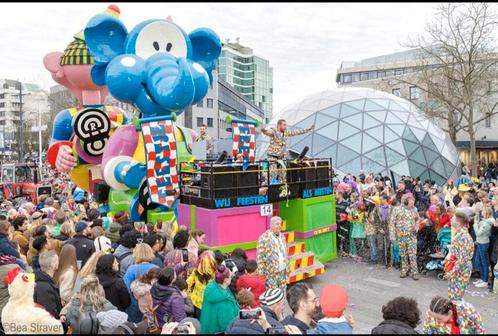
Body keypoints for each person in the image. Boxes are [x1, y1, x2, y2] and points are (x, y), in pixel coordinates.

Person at [261, 119, 314, 183]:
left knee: (283, 175)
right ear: (279, 125)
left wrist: (307, 129)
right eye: (284, 125)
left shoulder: (286, 133)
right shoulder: (274, 132)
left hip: (282, 158)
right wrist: (264, 130)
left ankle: (282, 189)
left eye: (285, 125)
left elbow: (297, 132)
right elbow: (268, 132)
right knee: (272, 173)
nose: (285, 127)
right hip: (273, 157)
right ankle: (266, 187)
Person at [123, 243, 160, 323]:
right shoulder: (156, 268)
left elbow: (125, 287)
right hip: (152, 305)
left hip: (135, 304)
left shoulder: (132, 269)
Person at [200, 265, 239, 334]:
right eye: (231, 277)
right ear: (226, 280)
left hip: (207, 328)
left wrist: (227, 273)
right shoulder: (225, 303)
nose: (232, 277)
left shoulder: (211, 286)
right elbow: (227, 325)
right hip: (218, 331)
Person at [445, 211, 475, 300]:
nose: (450, 219)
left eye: (453, 218)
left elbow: (463, 259)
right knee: (452, 296)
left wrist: (452, 272)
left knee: (456, 298)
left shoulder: (464, 237)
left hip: (462, 269)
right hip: (457, 267)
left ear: (458, 222)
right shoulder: (458, 233)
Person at [390, 193, 419, 280]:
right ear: (405, 202)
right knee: (403, 254)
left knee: (413, 255)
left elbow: (417, 219)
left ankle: (414, 272)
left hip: (411, 236)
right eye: (410, 204)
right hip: (401, 236)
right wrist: (392, 236)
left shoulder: (414, 209)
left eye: (413, 204)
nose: (412, 205)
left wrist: (417, 226)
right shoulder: (396, 209)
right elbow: (392, 223)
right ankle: (404, 270)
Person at [256, 216, 289, 290]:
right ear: (271, 225)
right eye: (277, 224)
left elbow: (285, 252)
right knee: (273, 295)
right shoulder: (264, 238)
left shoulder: (282, 236)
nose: (279, 226)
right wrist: (261, 275)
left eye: (280, 224)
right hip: (271, 274)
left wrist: (288, 267)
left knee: (282, 293)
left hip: (283, 272)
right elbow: (260, 258)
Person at [186, 250, 217, 318]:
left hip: (197, 303)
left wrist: (189, 295)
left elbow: (188, 284)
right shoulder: (215, 274)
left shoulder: (196, 272)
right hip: (209, 304)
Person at [33, 251, 63, 320]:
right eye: (57, 260)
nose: (58, 262)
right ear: (52, 265)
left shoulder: (40, 280)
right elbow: (50, 313)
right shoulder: (45, 287)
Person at [472, 206, 493, 288]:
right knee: (478, 260)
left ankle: (485, 280)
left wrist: (475, 224)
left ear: (486, 213)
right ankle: (482, 278)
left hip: (484, 243)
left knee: (484, 262)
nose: (482, 213)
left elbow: (478, 233)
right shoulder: (484, 221)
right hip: (479, 242)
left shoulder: (488, 223)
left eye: (483, 211)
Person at [335, 191, 351, 257]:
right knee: (337, 237)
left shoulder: (346, 204)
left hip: (344, 224)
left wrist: (345, 217)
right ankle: (338, 250)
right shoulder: (335, 203)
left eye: (336, 194)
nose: (335, 195)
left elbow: (349, 213)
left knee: (344, 238)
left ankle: (345, 251)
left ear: (340, 195)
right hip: (336, 223)